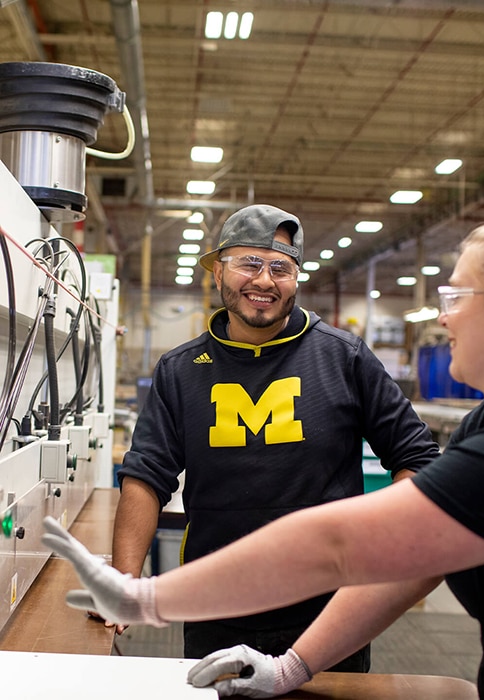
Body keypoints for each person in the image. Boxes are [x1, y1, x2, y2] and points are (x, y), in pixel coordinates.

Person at [44, 206, 484, 699]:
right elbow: (412, 557)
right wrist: (294, 668)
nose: (440, 319)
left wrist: (146, 599)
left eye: (453, 297)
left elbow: (342, 548)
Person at [108, 203, 441, 668]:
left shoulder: (343, 357)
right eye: (249, 263)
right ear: (218, 271)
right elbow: (146, 475)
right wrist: (125, 578)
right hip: (215, 605)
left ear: (296, 279)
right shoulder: (180, 370)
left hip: (327, 611)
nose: (264, 281)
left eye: (280, 268)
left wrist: (376, 551)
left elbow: (419, 458)